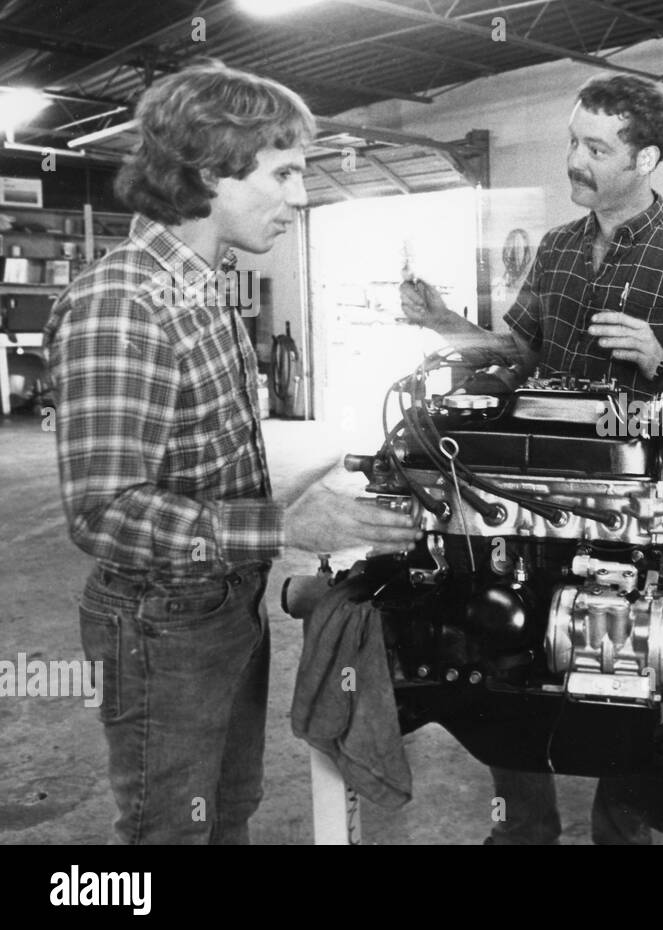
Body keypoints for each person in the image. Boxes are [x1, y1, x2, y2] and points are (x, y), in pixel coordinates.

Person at [43, 62, 420, 845]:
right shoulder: (125, 302)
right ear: (209, 166)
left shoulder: (204, 287)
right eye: (283, 173)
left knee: (224, 816)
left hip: (219, 610)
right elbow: (104, 514)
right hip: (160, 626)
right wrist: (282, 524)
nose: (301, 196)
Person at [488, 74, 663, 844]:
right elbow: (520, 356)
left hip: (633, 520)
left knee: (623, 686)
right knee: (512, 661)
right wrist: (448, 326)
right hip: (537, 500)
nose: (575, 159)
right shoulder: (558, 248)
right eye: (573, 141)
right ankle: (524, 831)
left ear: (646, 159)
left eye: (595, 148)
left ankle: (619, 834)